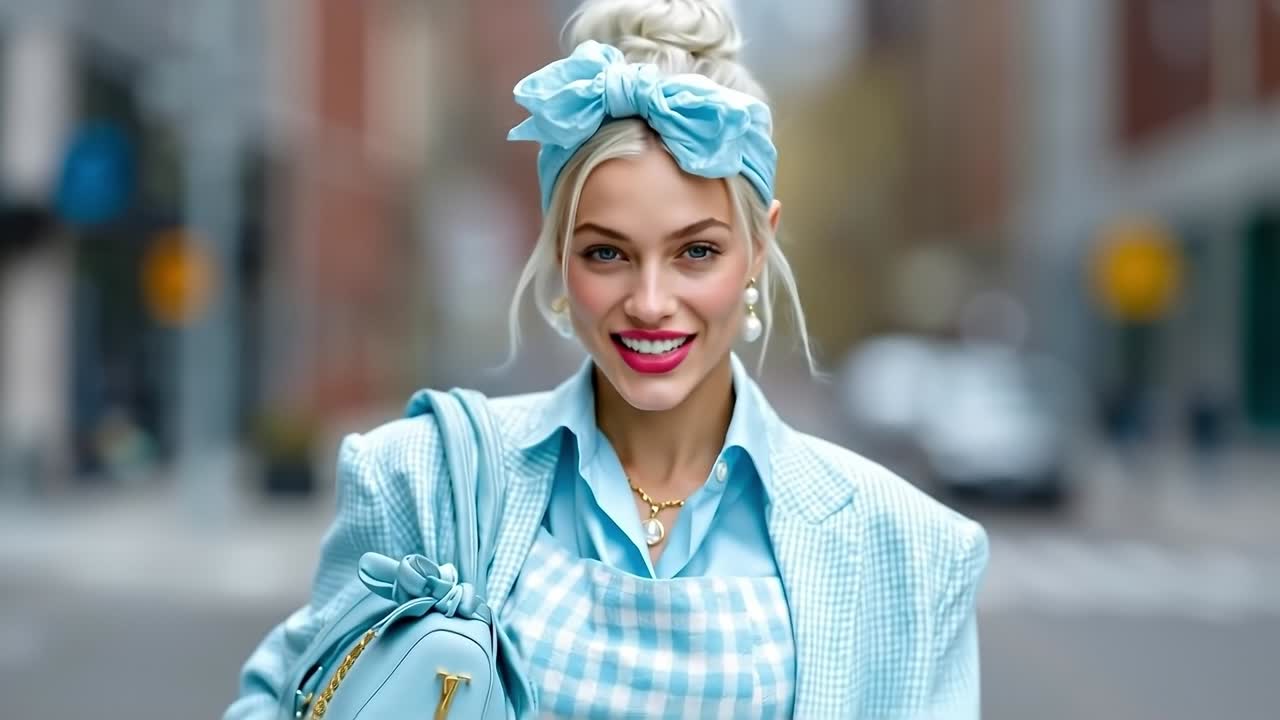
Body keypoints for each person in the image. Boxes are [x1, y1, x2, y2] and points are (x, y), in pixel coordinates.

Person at [225, 1, 989, 718]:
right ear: (559, 256)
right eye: (607, 253)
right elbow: (283, 700)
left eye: (696, 251)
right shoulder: (424, 482)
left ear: (759, 248)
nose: (651, 301)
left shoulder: (911, 552)